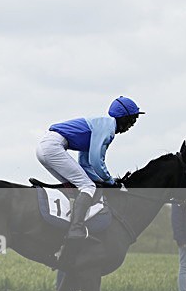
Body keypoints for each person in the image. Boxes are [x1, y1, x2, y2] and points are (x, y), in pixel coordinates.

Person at [36, 96, 143, 257]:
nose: (132, 125)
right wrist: (110, 181)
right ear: (124, 117)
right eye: (133, 119)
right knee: (88, 186)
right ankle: (76, 229)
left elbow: (85, 163)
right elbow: (96, 160)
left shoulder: (100, 126)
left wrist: (102, 181)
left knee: (77, 186)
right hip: (53, 147)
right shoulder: (107, 129)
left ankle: (64, 227)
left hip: (46, 147)